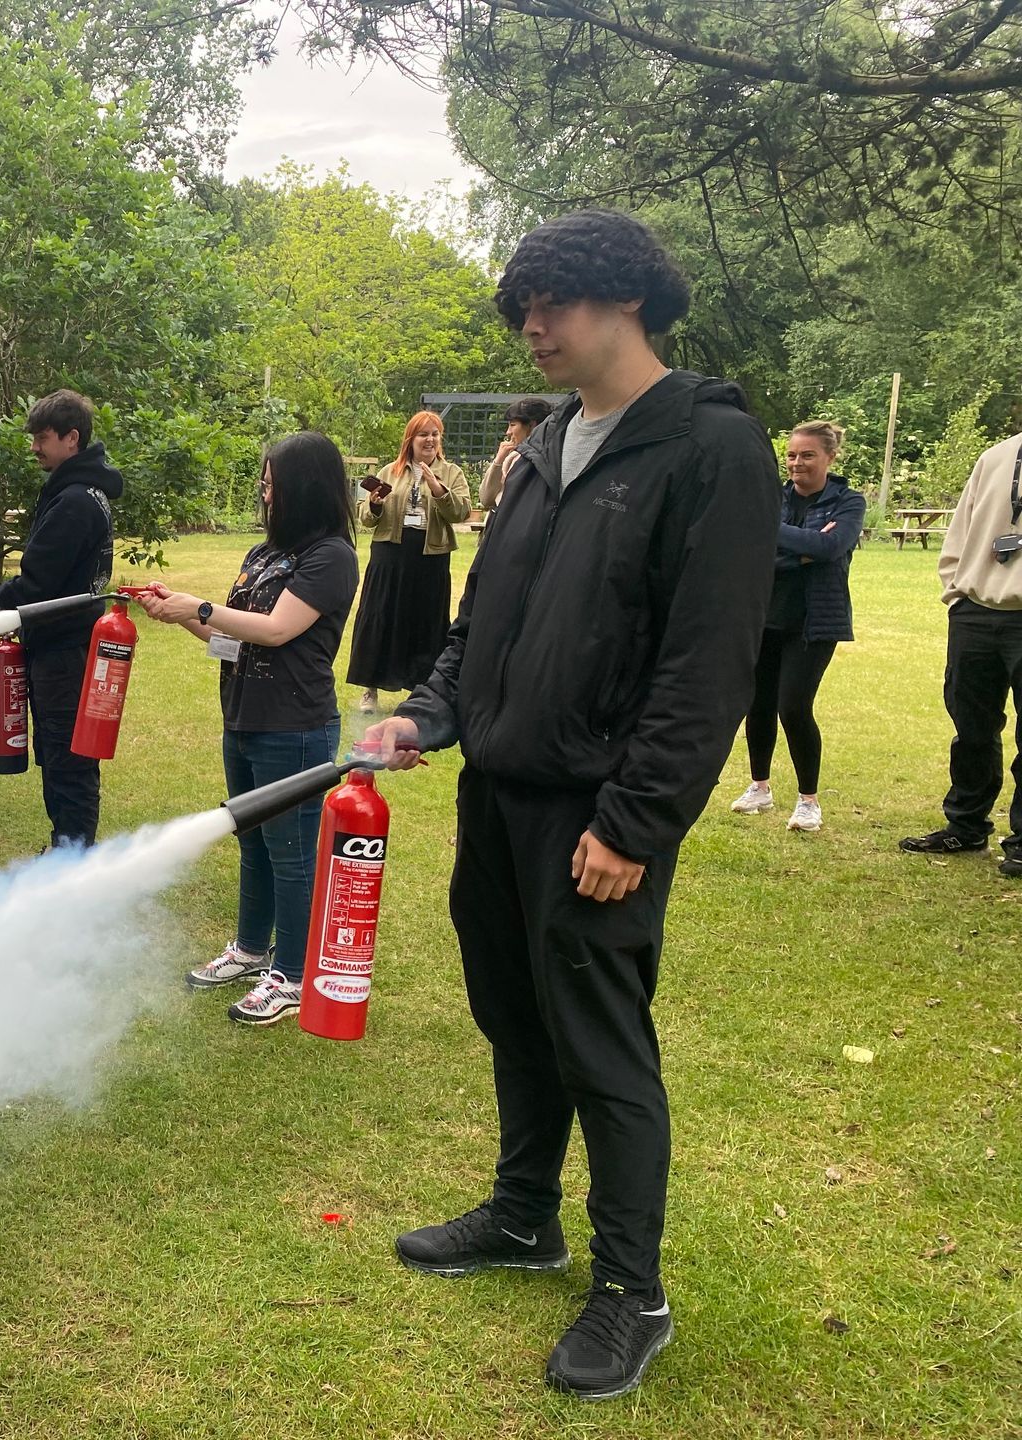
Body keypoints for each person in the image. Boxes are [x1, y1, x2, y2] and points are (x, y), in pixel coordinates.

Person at [362, 209, 778, 1400]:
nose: (532, 327)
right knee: (513, 1014)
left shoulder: (711, 448)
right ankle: (521, 1216)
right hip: (497, 795)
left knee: (601, 1045)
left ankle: (631, 1292)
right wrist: (425, 716)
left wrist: (635, 822)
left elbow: (707, 667)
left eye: (554, 303)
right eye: (523, 309)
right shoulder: (545, 448)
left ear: (628, 298)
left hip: (597, 816)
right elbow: (478, 625)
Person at [133, 432, 359, 1025]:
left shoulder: (331, 556)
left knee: (291, 853)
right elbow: (234, 642)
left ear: (303, 487)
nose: (264, 492)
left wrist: (201, 606)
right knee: (253, 842)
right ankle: (252, 949)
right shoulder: (263, 554)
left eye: (271, 483)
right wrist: (183, 617)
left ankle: (293, 975)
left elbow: (278, 630)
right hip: (243, 718)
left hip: (295, 727)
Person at [0, 390, 121, 847]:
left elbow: (36, 585)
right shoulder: (77, 492)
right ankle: (67, 849)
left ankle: (73, 859)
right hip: (62, 645)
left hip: (65, 651)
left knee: (67, 759)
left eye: (42, 437)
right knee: (60, 754)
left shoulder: (76, 500)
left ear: (71, 438)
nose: (34, 447)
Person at [727, 420, 866, 832]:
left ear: (830, 457)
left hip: (814, 621)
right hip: (764, 616)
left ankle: (808, 801)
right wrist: (803, 551)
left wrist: (774, 534)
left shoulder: (848, 502)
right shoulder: (774, 497)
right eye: (791, 455)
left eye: (807, 455)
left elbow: (830, 546)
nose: (796, 462)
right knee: (759, 703)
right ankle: (760, 787)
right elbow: (749, 553)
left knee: (793, 706)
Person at [898, 425, 1022, 877]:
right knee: (971, 726)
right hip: (976, 612)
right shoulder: (996, 456)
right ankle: (966, 825)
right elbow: (962, 528)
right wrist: (957, 592)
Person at [346, 411, 473, 714]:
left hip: (431, 557)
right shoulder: (390, 471)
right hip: (390, 555)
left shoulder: (451, 473)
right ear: (410, 439)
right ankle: (370, 688)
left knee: (425, 621)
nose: (430, 440)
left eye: (435, 434)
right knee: (380, 616)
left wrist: (438, 489)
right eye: (423, 434)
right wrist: (374, 505)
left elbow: (461, 512)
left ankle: (420, 690)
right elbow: (365, 518)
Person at [480, 396, 555, 514]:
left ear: (532, 425)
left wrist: (500, 461)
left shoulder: (528, 461)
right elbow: (485, 498)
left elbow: (487, 499)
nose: (508, 432)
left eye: (512, 425)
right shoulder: (511, 456)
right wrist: (498, 461)